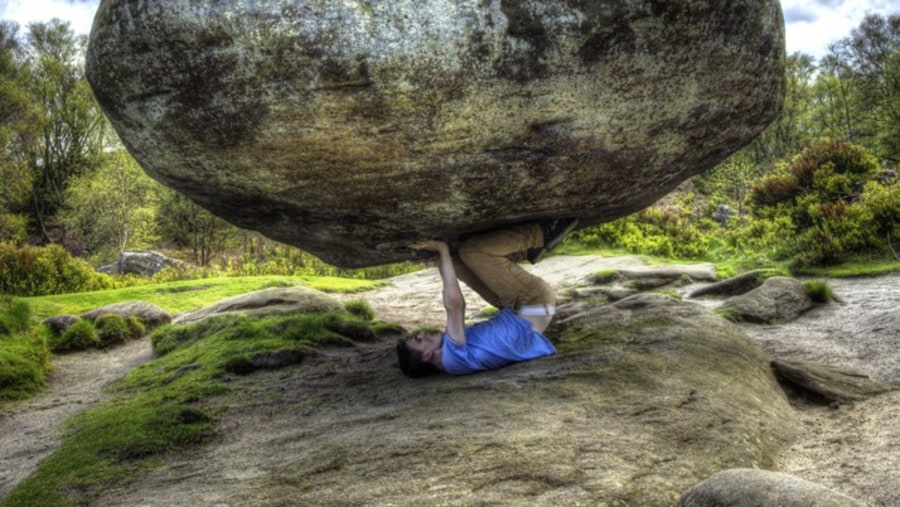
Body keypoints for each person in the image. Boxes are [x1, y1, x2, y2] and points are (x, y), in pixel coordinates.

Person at [396, 219, 578, 377]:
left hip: (515, 309)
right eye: (419, 340)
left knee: (456, 261)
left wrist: (440, 258)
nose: (422, 333)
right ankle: (540, 234)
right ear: (427, 355)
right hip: (534, 300)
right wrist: (441, 249)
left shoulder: (452, 364)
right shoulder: (452, 357)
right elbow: (455, 304)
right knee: (471, 251)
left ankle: (526, 252)